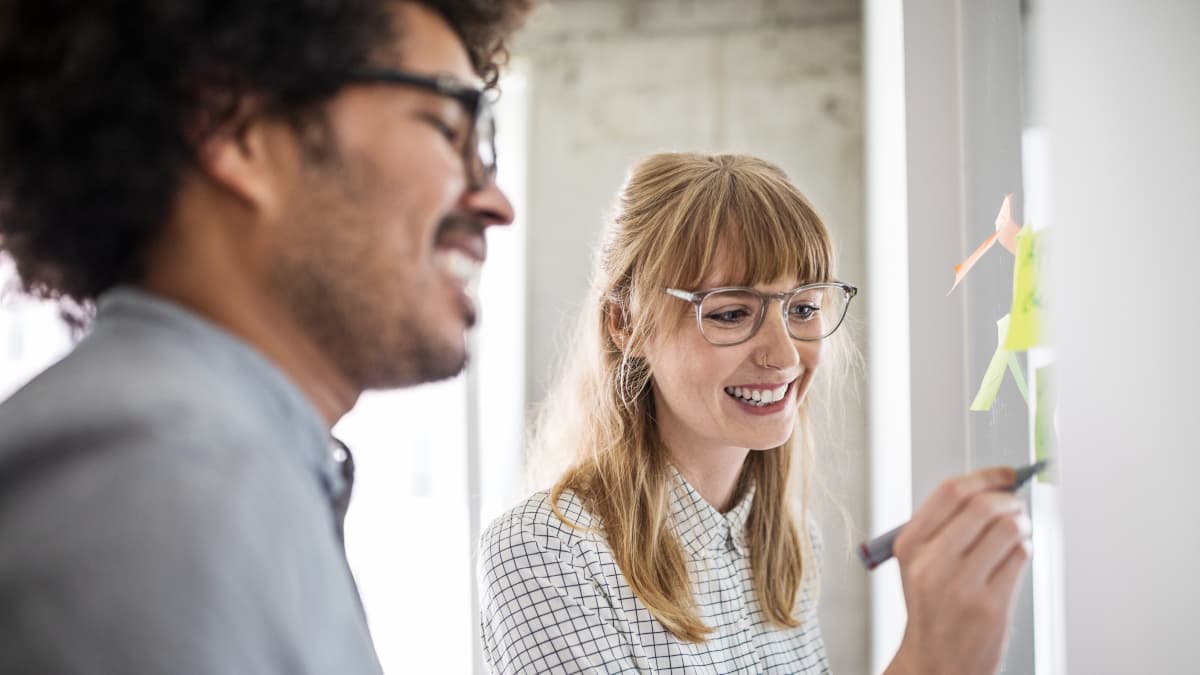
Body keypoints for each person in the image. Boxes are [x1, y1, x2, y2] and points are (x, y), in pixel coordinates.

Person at [0, 0, 532, 672]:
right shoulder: (161, 473)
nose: (495, 202)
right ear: (237, 128)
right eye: (446, 125)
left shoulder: (226, 458)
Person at [479, 153, 1031, 674]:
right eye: (731, 312)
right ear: (625, 324)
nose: (785, 355)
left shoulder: (790, 546)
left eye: (804, 309)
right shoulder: (545, 554)